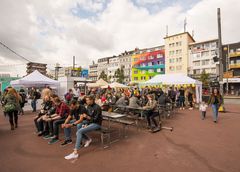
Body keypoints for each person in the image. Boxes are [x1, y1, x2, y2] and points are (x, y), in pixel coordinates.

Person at [64, 95, 102, 160]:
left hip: (96, 124)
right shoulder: (89, 106)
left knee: (79, 132)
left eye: (87, 100)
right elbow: (87, 118)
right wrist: (86, 123)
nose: (86, 101)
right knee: (78, 131)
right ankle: (88, 139)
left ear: (92, 100)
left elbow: (96, 120)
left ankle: (75, 153)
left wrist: (87, 118)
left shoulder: (97, 107)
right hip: (90, 122)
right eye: (86, 100)